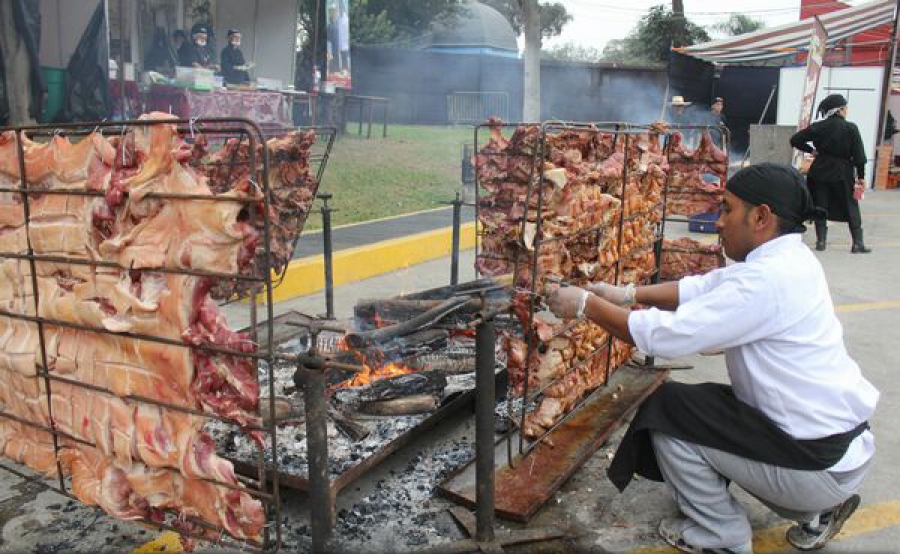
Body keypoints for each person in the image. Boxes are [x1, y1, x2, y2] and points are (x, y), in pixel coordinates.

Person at [546, 163, 878, 554]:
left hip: (815, 466)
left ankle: (723, 535)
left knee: (667, 413)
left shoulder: (764, 281)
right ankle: (819, 512)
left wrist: (586, 305)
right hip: (843, 450)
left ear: (761, 217)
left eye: (727, 209)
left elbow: (661, 337)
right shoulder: (791, 260)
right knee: (705, 403)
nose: (718, 222)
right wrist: (626, 294)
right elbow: (703, 287)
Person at [790, 94, 870, 253]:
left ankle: (821, 242)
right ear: (839, 110)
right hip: (843, 171)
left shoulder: (819, 127)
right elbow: (859, 157)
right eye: (845, 108)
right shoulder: (851, 128)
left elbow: (795, 140)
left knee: (820, 205)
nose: (846, 111)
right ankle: (857, 243)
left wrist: (812, 150)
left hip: (819, 170)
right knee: (851, 205)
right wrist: (861, 177)